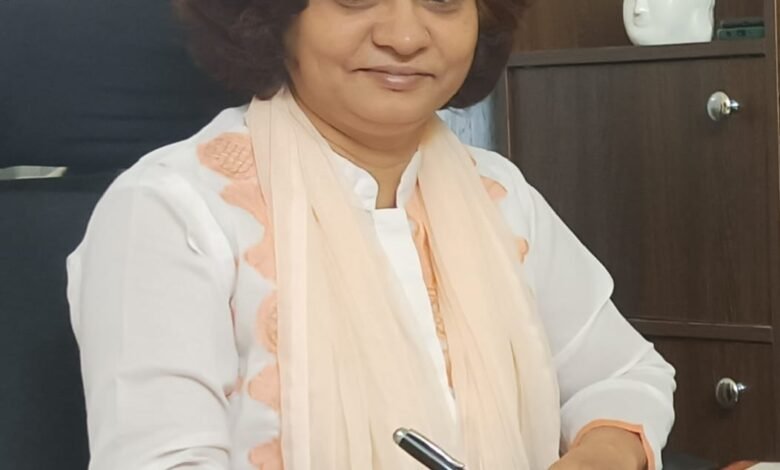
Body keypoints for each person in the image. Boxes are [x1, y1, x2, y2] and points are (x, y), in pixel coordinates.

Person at [66, 0, 676, 469]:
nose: (405, 36)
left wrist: (600, 455)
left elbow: (623, 375)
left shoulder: (499, 196)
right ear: (276, 15)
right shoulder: (172, 210)